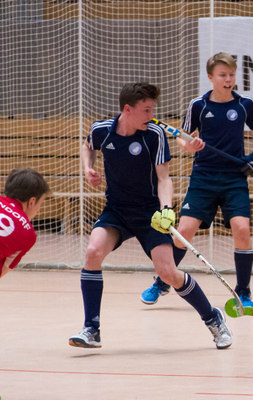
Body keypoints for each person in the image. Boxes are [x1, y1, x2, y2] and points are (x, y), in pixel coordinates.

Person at [68, 82, 232, 350]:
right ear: (127, 110)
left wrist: (167, 209)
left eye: (152, 109)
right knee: (93, 252)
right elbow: (88, 146)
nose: (152, 116)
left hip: (150, 214)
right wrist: (88, 168)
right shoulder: (102, 130)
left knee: (168, 274)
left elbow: (164, 178)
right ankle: (91, 329)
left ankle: (213, 318)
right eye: (146, 110)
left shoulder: (154, 134)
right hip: (117, 210)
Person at [140, 52, 253, 308]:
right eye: (222, 75)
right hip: (204, 177)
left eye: (231, 75)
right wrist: (190, 146)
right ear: (210, 77)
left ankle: (243, 292)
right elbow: (182, 136)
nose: (228, 80)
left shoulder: (245, 105)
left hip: (234, 179)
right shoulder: (199, 105)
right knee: (183, 232)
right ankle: (163, 281)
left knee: (242, 229)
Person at [1, 168, 50, 279]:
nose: (38, 210)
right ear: (32, 202)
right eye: (40, 204)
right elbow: (3, 269)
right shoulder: (28, 234)